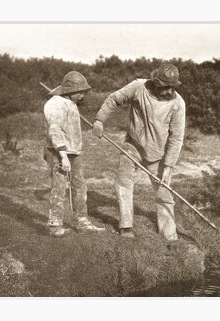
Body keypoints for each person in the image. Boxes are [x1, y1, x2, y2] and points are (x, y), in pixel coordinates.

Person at [92, 62, 186, 241]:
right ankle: (126, 226)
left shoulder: (178, 105)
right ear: (156, 82)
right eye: (164, 87)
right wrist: (99, 120)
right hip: (133, 146)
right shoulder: (138, 87)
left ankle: (169, 234)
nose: (168, 91)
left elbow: (177, 138)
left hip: (159, 154)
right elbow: (114, 99)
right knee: (124, 182)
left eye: (172, 88)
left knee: (164, 192)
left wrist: (169, 166)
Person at [43, 71, 105, 237]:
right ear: (70, 91)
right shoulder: (55, 104)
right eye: (80, 92)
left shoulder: (70, 103)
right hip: (58, 151)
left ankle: (82, 221)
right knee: (59, 186)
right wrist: (63, 156)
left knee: (79, 185)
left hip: (73, 151)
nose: (83, 95)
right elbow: (54, 130)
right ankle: (55, 225)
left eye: (84, 92)